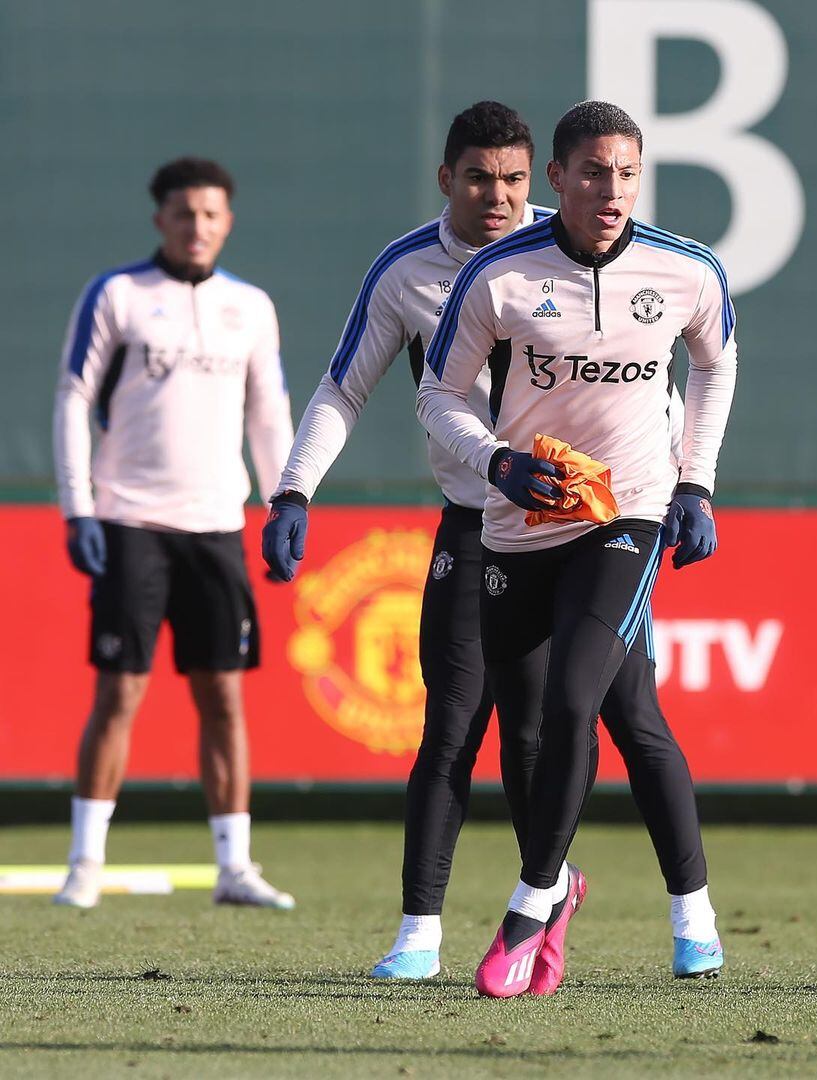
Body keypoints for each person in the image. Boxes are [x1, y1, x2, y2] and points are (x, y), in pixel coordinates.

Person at [263, 102, 717, 991]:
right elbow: (344, 387)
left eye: (514, 178)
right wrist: (293, 488)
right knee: (456, 723)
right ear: (447, 181)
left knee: (620, 717)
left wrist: (682, 481)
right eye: (480, 178)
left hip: (598, 526)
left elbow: (653, 370)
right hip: (481, 523)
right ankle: (421, 933)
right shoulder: (408, 271)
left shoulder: (584, 246)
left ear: (539, 179)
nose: (500, 197)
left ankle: (653, 910)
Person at [417, 100, 738, 997]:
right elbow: (439, 394)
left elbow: (715, 363)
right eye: (595, 172)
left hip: (624, 519)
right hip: (519, 526)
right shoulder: (498, 276)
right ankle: (688, 912)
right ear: (555, 180)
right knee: (602, 723)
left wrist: (695, 481)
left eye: (628, 173)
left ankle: (530, 901)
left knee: (573, 700)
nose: (613, 190)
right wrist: (498, 463)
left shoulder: (685, 271)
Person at [52, 156, 296, 910]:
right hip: (132, 521)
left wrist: (287, 501)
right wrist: (78, 507)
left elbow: (269, 413)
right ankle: (86, 863)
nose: (198, 227)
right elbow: (72, 399)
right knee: (120, 690)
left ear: (228, 221)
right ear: (160, 217)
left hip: (217, 525)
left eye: (212, 215)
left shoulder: (251, 307)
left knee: (224, 694)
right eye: (185, 214)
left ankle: (235, 867)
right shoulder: (119, 295)